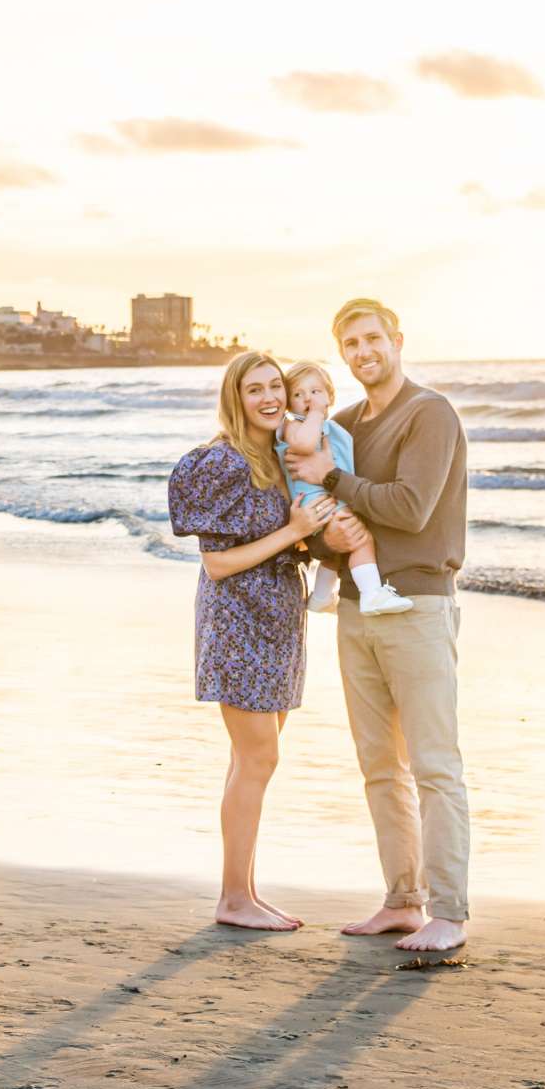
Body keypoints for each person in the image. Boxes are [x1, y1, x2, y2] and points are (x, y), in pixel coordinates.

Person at [288, 298, 472, 956]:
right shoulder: (337, 422)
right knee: (378, 768)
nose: (363, 352)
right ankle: (402, 901)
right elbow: (311, 496)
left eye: (372, 339)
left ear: (396, 339)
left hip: (418, 604)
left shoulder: (430, 414)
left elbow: (413, 508)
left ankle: (449, 912)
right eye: (350, 344)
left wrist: (333, 477)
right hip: (356, 611)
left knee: (433, 765)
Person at [166, 351, 332, 933]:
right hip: (237, 622)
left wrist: (313, 540)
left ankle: (246, 893)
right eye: (254, 388)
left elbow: (287, 540)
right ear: (234, 398)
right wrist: (293, 531)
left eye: (275, 387)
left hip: (279, 617)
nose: (268, 397)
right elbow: (216, 564)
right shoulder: (221, 462)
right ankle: (234, 898)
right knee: (259, 757)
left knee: (252, 760)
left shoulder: (276, 456)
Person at [279, 361, 410, 617]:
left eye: (316, 392)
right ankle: (372, 594)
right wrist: (316, 413)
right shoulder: (293, 426)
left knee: (337, 553)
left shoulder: (330, 429)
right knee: (361, 538)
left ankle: (320, 597)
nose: (308, 398)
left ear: (330, 395)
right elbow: (305, 445)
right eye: (298, 394)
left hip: (324, 499)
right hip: (316, 503)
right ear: (288, 404)